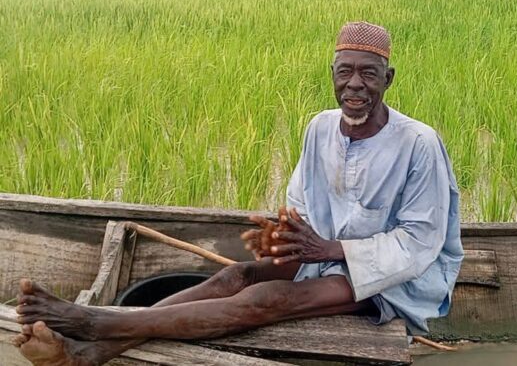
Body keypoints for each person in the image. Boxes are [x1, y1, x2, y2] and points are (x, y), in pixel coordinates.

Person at [12, 21, 463, 366]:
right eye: (345, 73)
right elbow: (303, 200)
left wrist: (331, 248)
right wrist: (286, 234)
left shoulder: (418, 143)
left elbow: (419, 243)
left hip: (394, 278)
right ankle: (92, 353)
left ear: (389, 78)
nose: (355, 85)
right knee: (237, 278)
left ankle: (93, 324)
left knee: (266, 300)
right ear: (333, 75)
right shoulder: (320, 127)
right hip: (325, 254)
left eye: (369, 73)